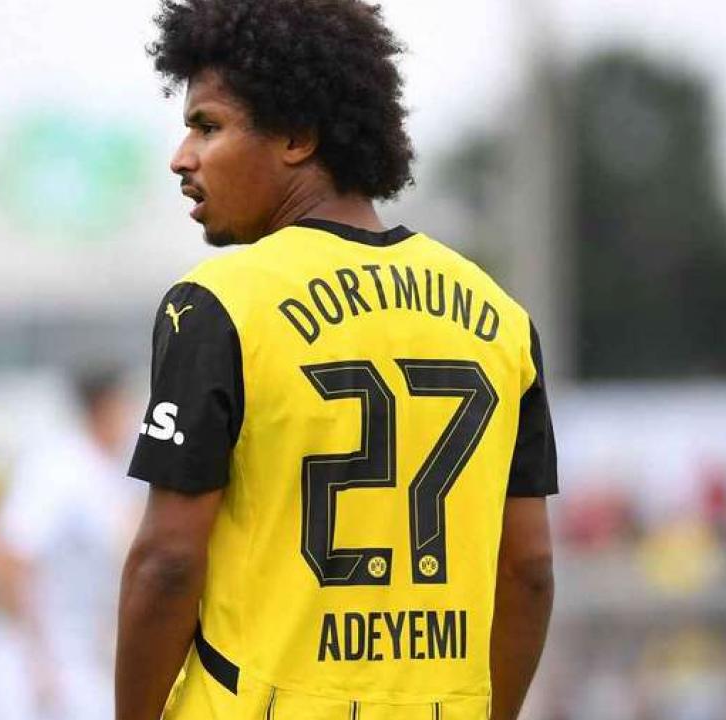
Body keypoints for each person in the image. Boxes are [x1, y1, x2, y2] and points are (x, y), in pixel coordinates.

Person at [116, 2, 558, 720]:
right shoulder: (500, 318)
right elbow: (530, 568)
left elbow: (167, 563)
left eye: (207, 126)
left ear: (297, 136)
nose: (182, 156)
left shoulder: (220, 304)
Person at [0, 366, 144, 720]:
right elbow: (9, 557)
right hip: (27, 659)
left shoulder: (110, 474)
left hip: (77, 658)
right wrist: (37, 657)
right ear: (105, 406)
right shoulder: (58, 467)